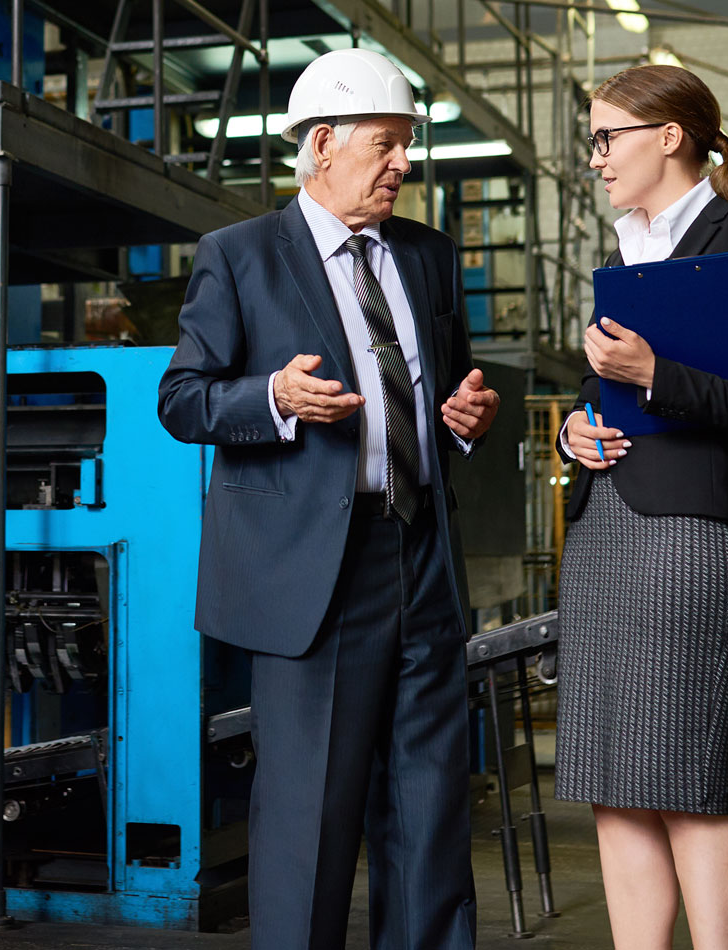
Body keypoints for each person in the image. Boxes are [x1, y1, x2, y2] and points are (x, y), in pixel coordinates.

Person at [158, 48, 498, 950]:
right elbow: (182, 398)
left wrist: (464, 417)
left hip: (420, 551)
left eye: (407, 145)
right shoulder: (237, 257)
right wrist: (272, 396)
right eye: (387, 145)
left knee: (429, 805)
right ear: (321, 146)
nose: (405, 165)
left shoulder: (427, 255)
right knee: (310, 815)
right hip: (315, 570)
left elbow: (440, 389)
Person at [554, 64, 728, 950]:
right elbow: (600, 396)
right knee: (612, 788)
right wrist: (572, 437)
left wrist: (659, 377)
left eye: (605, 138)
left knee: (684, 787)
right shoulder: (628, 246)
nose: (595, 159)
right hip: (602, 529)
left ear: (669, 136)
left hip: (686, 537)